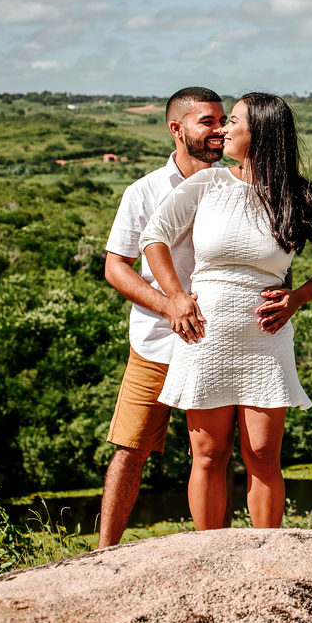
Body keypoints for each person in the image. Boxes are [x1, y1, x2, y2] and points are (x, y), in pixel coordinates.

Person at [139, 92, 312, 530]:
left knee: (261, 454)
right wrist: (176, 298)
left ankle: (265, 555)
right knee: (209, 453)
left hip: (265, 337)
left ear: (259, 133)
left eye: (232, 120)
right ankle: (207, 553)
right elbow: (153, 237)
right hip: (204, 335)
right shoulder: (207, 184)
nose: (222, 129)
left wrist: (299, 297)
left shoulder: (301, 196)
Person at [98, 86, 228, 548]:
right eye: (207, 122)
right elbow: (116, 266)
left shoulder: (237, 185)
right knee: (130, 449)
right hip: (155, 339)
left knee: (212, 454)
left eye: (223, 120)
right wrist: (168, 303)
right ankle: (102, 555)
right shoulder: (145, 191)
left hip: (218, 340)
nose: (220, 130)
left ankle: (215, 553)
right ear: (177, 129)